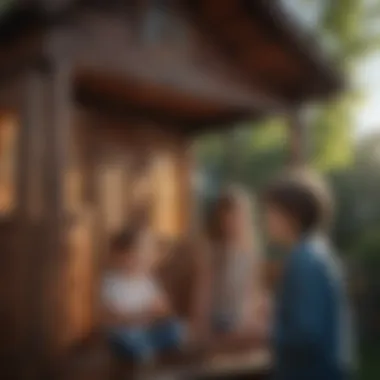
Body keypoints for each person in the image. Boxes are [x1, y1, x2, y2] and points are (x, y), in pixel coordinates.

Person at [263, 171, 355, 380]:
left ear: (292, 215)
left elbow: (305, 334)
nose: (266, 219)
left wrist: (268, 328)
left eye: (271, 211)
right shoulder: (316, 252)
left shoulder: (304, 260)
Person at [101, 226, 186, 364]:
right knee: (127, 339)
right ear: (120, 256)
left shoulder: (147, 280)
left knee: (175, 328)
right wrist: (141, 315)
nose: (142, 258)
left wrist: (159, 311)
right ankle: (144, 352)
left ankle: (151, 350)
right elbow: (113, 318)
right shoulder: (112, 282)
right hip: (127, 334)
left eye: (145, 253)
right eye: (135, 254)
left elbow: (165, 309)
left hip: (148, 331)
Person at [192, 185, 265, 341]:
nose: (235, 222)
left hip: (242, 315)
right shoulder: (212, 250)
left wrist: (251, 316)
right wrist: (201, 324)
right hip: (220, 317)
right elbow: (203, 291)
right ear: (220, 219)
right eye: (229, 217)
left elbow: (253, 290)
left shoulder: (251, 248)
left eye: (240, 216)